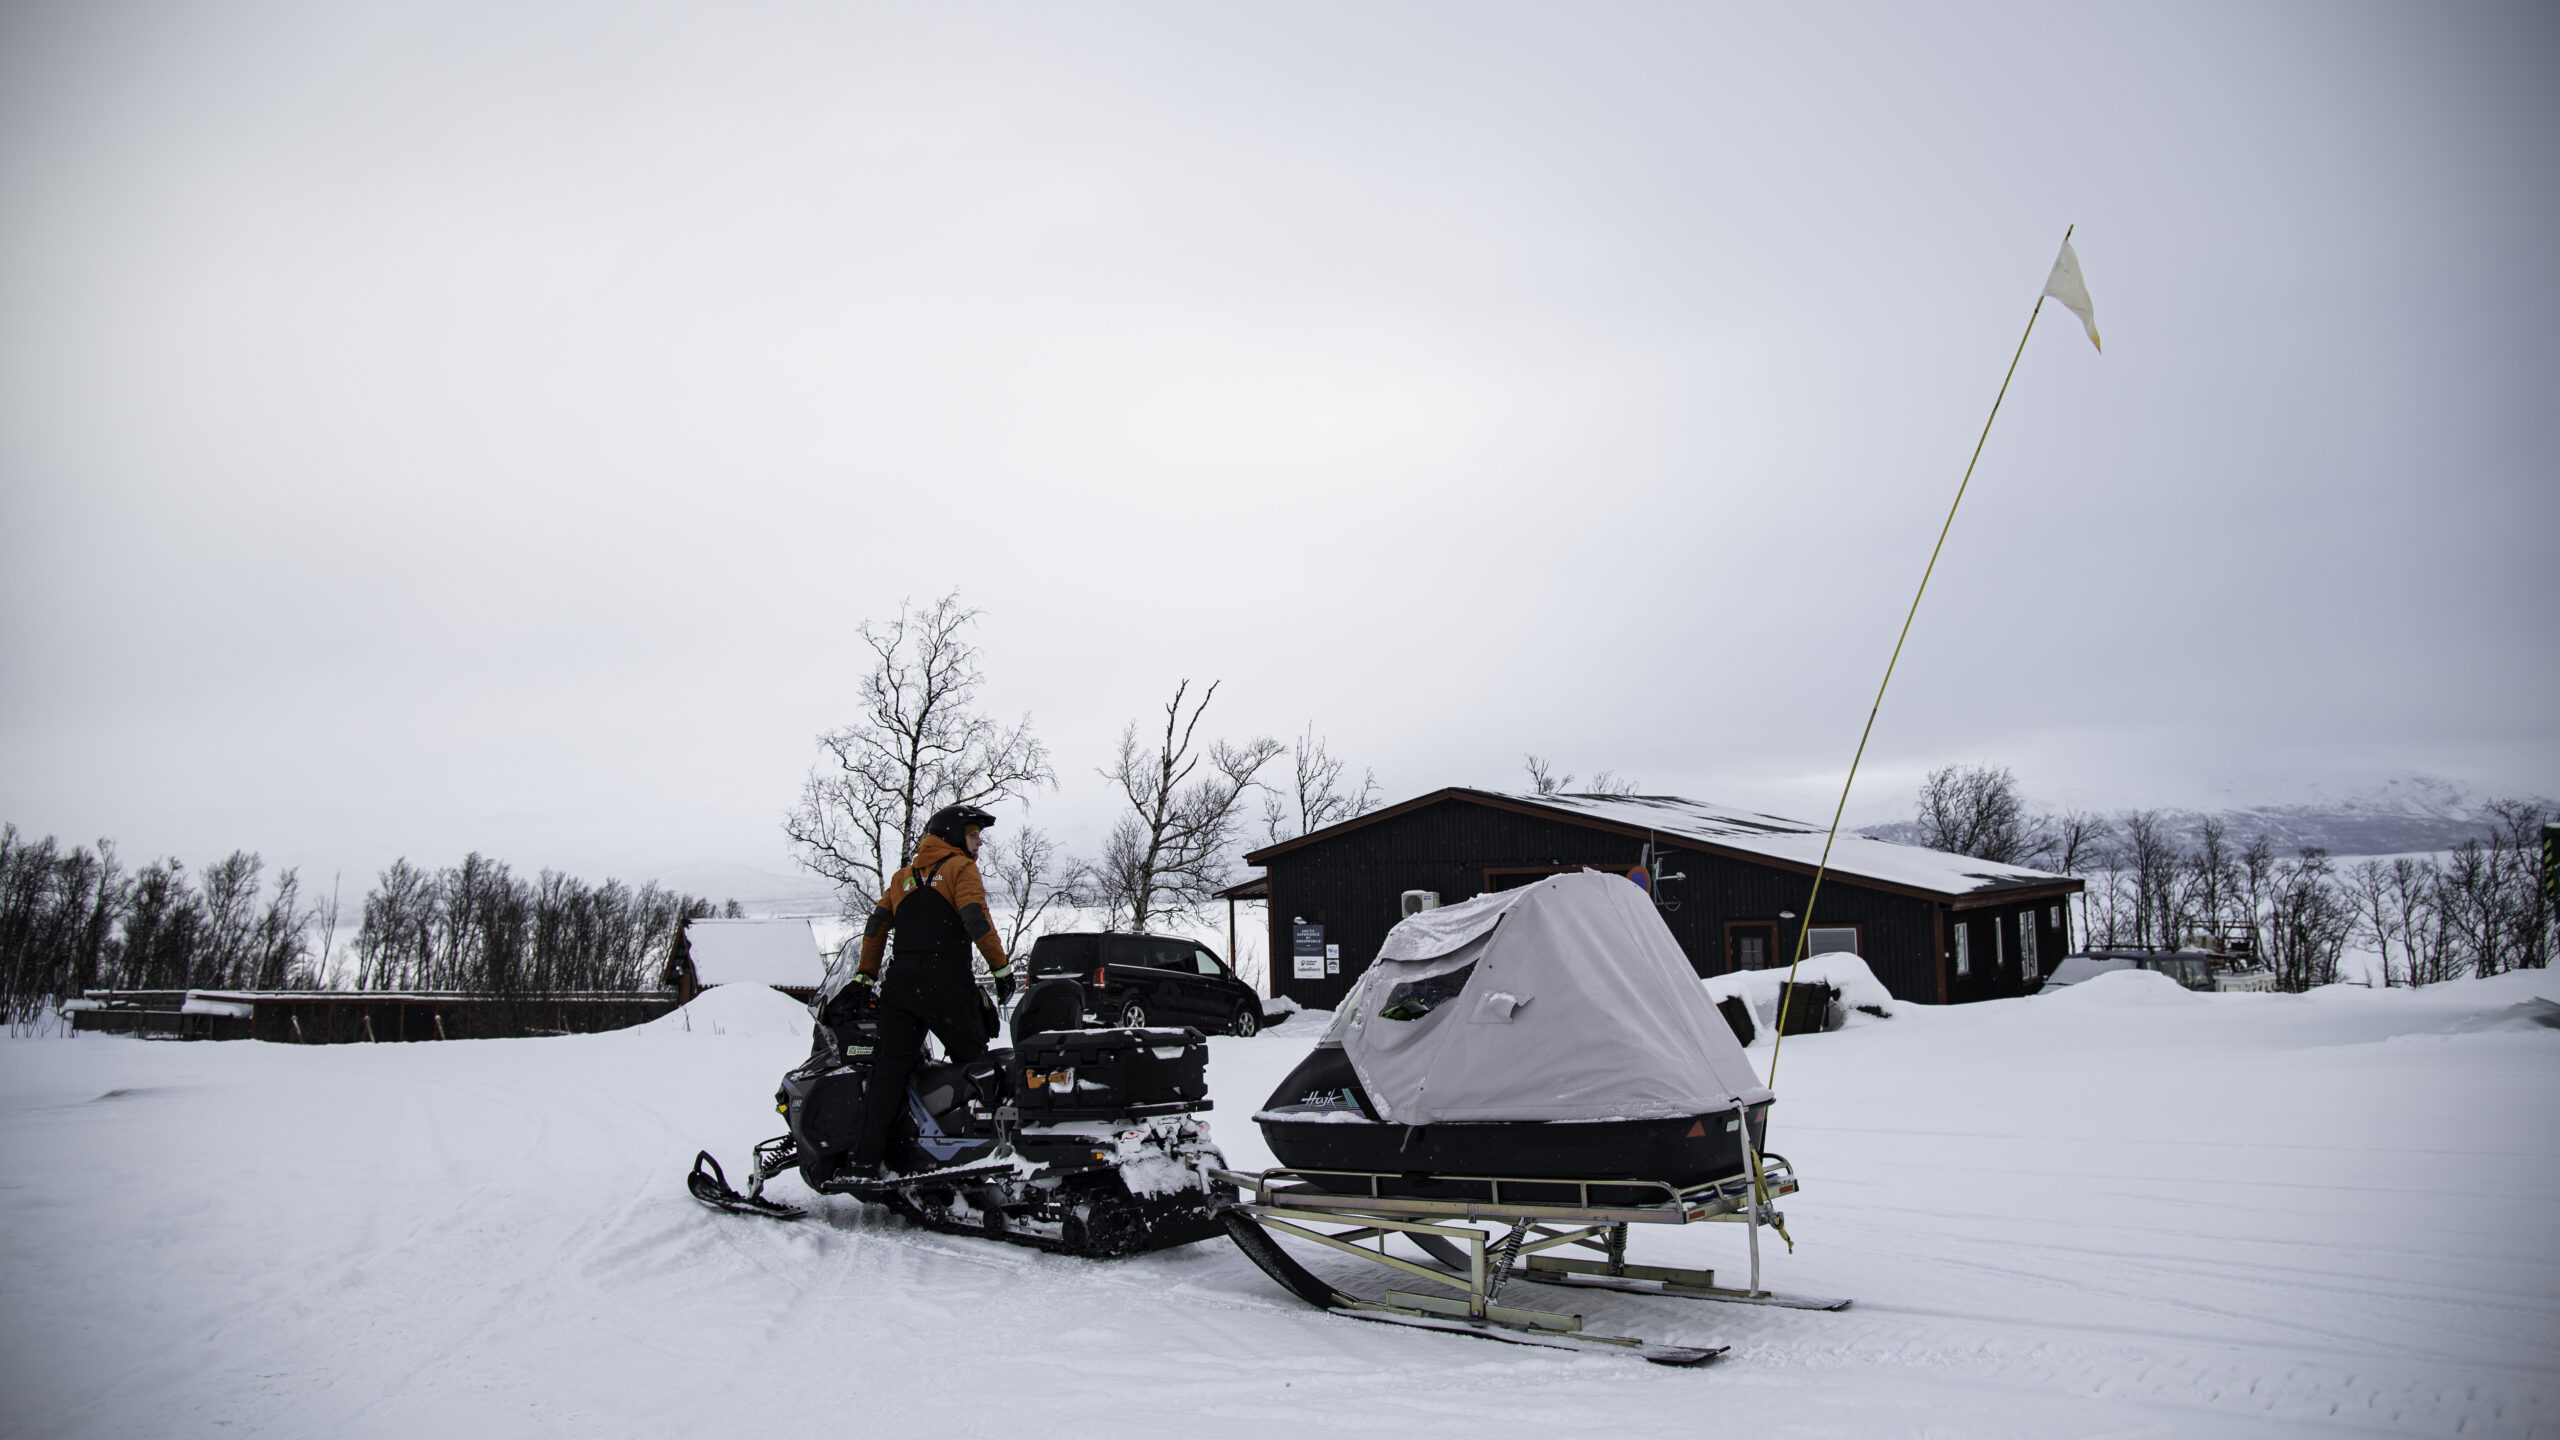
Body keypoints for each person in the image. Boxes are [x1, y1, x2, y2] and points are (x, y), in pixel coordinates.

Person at [842, 803, 1016, 1178]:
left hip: (901, 988)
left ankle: (864, 1161)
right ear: (952, 835)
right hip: (947, 985)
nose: (978, 843)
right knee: (977, 1067)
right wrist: (1001, 969)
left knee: (888, 1072)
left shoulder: (901, 878)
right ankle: (990, 1155)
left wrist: (865, 977)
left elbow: (876, 927)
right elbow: (975, 918)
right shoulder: (960, 868)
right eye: (973, 835)